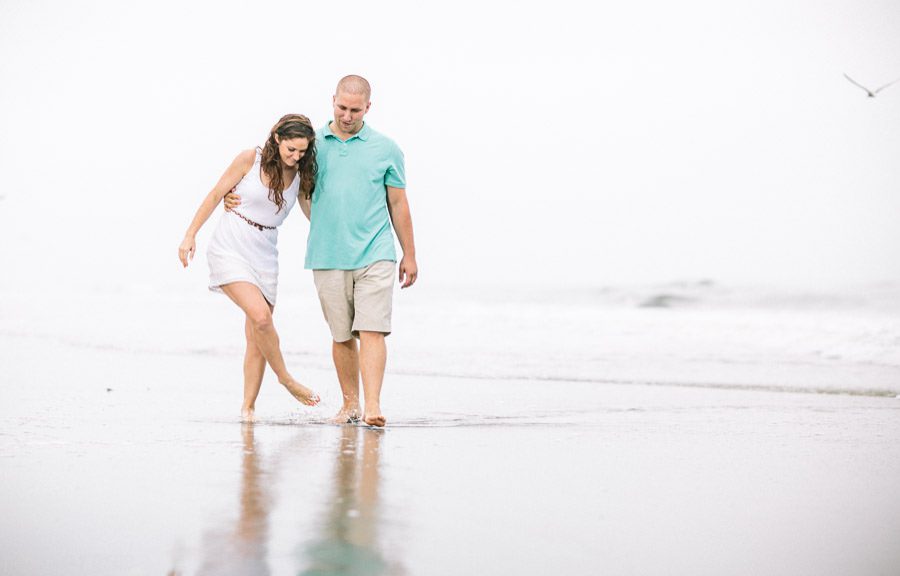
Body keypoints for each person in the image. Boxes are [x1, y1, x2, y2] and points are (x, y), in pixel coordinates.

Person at [226, 76, 417, 427]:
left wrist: (410, 253)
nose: (347, 115)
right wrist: (232, 195)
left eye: (355, 110)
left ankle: (373, 406)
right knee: (341, 335)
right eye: (342, 107)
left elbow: (398, 203)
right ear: (333, 101)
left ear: (368, 108)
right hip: (327, 254)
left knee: (372, 330)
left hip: (377, 250)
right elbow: (272, 173)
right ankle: (350, 406)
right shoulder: (311, 146)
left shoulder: (387, 149)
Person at [179, 114, 321, 422]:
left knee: (257, 336)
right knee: (261, 317)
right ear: (277, 139)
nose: (296, 157)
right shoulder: (249, 159)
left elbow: (313, 214)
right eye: (291, 150)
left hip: (265, 253)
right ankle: (286, 379)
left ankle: (248, 409)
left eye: (302, 151)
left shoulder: (300, 175)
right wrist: (190, 235)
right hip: (231, 244)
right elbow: (216, 194)